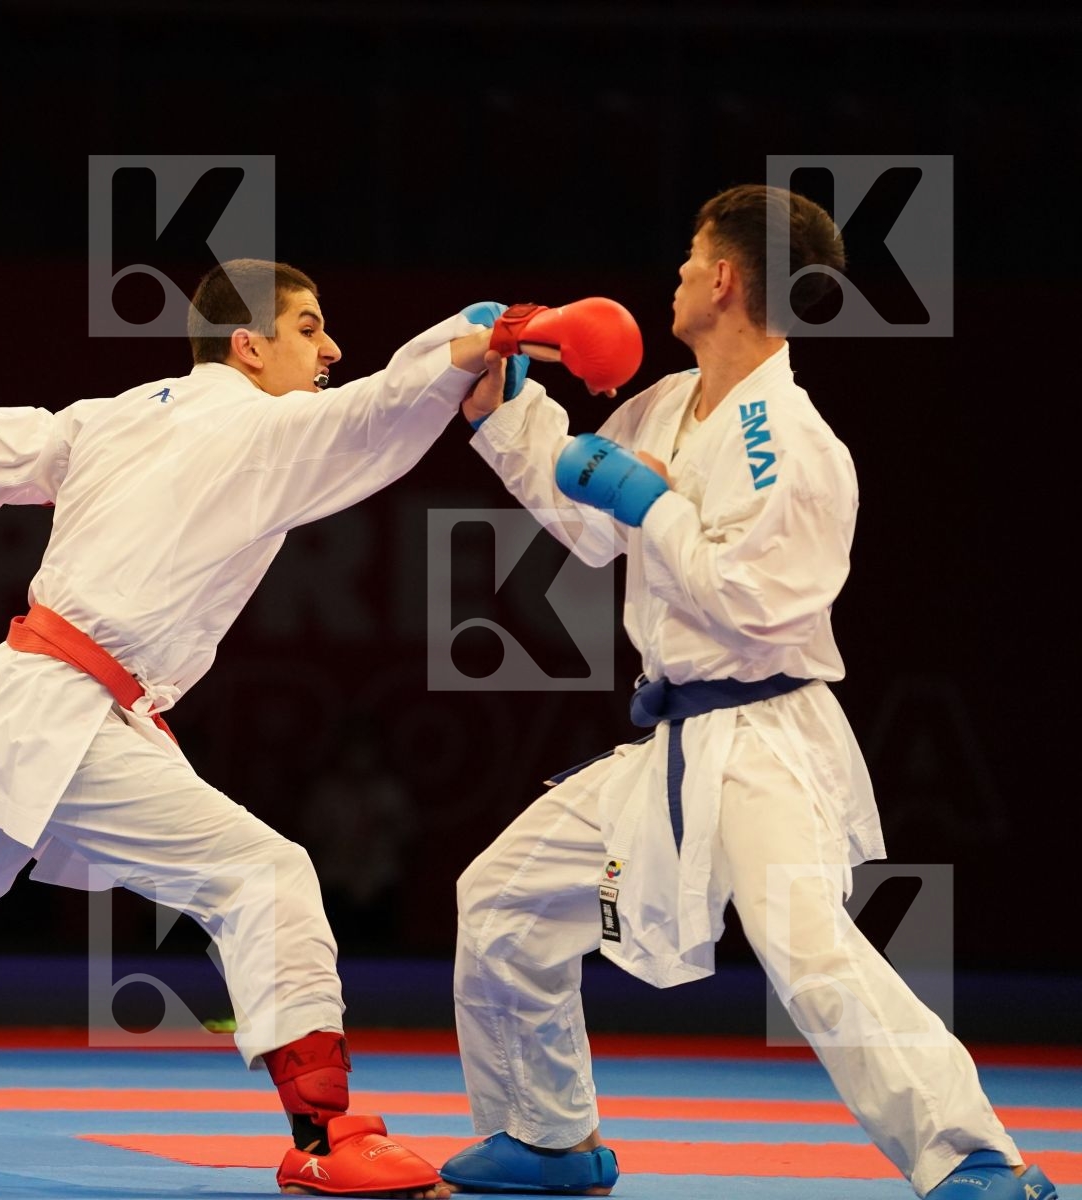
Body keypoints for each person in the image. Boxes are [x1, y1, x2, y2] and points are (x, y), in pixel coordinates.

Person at [0, 258, 638, 1197]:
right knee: (264, 874)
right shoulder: (259, 429)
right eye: (309, 328)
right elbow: (381, 410)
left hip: (41, 689)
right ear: (247, 344)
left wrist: (82, 453)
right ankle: (320, 1130)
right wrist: (498, 336)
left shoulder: (121, 413)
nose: (330, 348)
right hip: (71, 707)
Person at [439, 185, 1058, 1200]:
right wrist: (506, 400)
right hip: (674, 743)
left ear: (724, 277)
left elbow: (755, 601)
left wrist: (656, 505)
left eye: (689, 259)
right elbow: (587, 516)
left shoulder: (796, 444)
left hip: (764, 737)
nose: (676, 275)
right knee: (502, 901)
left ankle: (972, 1155)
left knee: (812, 953)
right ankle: (546, 1133)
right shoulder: (668, 407)